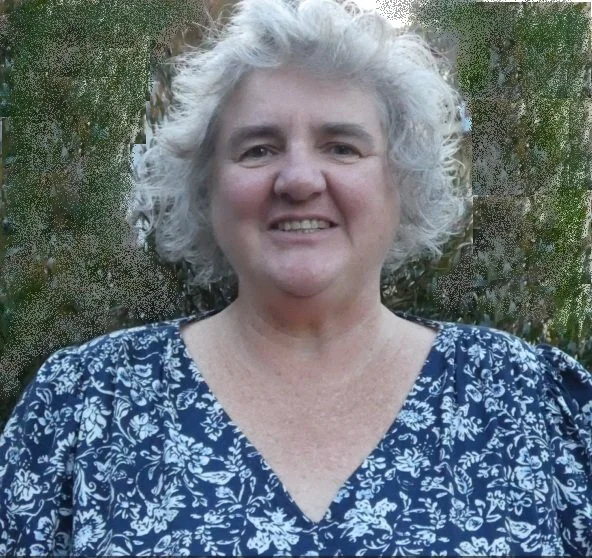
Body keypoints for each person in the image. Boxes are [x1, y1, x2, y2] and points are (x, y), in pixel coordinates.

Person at [1, 0, 591, 555]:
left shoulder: (532, 404)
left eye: (342, 147)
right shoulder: (84, 404)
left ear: (402, 181)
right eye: (258, 149)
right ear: (206, 189)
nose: (300, 180)